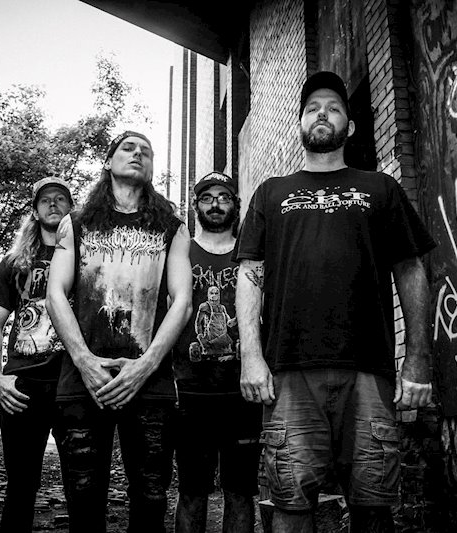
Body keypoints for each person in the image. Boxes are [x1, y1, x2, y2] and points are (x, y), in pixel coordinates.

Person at [233, 71, 436, 533]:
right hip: (288, 373)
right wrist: (251, 357)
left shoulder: (381, 188)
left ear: (351, 125)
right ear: (300, 124)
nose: (321, 113)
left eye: (333, 107)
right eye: (312, 108)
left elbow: (410, 270)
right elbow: (249, 275)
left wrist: (418, 359)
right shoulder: (271, 192)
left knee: (373, 506)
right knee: (290, 503)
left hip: (369, 370)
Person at [46, 131, 192, 533]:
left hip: (149, 380)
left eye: (146, 151)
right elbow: (55, 294)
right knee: (83, 496)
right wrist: (83, 361)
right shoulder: (75, 224)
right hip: (84, 379)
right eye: (128, 148)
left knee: (151, 496)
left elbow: (182, 302)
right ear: (108, 162)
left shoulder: (173, 228)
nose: (138, 153)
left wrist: (146, 366)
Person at [0, 176, 73, 533]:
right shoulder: (15, 262)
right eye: (45, 200)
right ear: (35, 211)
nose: (53, 204)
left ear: (70, 209)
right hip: (23, 385)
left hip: (71, 384)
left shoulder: (85, 260)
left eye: (60, 198)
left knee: (82, 486)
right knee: (21, 485)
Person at [172, 171, 260, 533]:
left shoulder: (250, 253)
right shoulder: (182, 251)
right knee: (192, 490)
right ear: (196, 206)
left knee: (240, 491)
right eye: (207, 198)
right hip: (190, 391)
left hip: (242, 392)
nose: (215, 204)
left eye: (223, 197)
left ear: (235, 205)